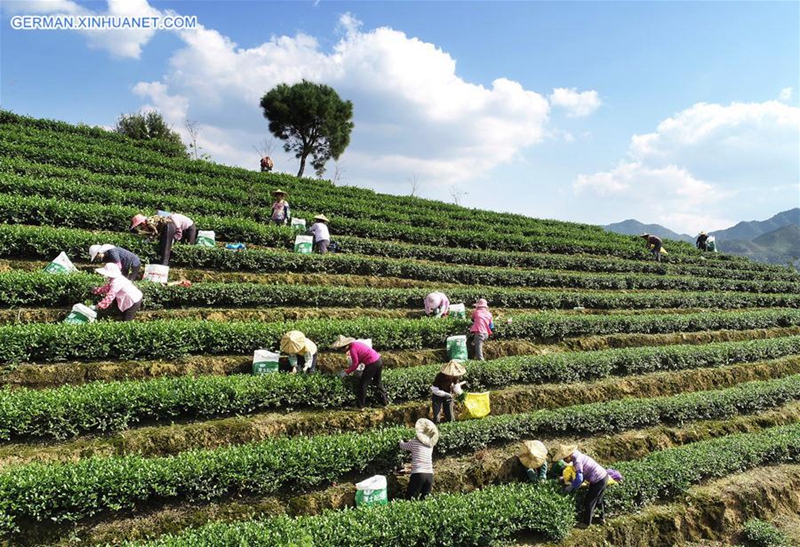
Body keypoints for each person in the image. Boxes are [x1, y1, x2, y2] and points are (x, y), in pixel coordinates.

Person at [552, 444, 608, 528]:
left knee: (589, 501)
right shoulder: (578, 455)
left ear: (569, 455)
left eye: (565, 458)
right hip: (604, 476)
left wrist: (571, 487)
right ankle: (602, 518)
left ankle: (586, 523)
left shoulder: (577, 461)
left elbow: (579, 478)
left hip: (598, 480)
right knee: (598, 500)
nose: (564, 460)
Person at [331, 335, 389, 408]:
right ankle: (384, 403)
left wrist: (346, 372)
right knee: (377, 382)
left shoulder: (352, 349)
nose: (342, 351)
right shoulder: (356, 344)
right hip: (378, 360)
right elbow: (362, 356)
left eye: (341, 349)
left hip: (372, 364)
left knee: (363, 384)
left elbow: (355, 364)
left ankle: (361, 406)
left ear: (346, 346)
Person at [131, 212, 197, 266]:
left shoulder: (171, 218)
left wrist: (176, 237)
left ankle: (189, 264)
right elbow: (155, 234)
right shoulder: (153, 223)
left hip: (189, 227)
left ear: (143, 223)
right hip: (179, 228)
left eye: (140, 225)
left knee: (190, 245)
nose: (141, 227)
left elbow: (177, 230)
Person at [398, 418, 439, 500]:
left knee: (410, 499)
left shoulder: (414, 442)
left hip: (418, 474)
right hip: (429, 475)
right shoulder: (430, 445)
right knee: (425, 500)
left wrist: (400, 441)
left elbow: (402, 446)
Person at [430, 360, 467, 424]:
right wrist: (446, 394)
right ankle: (437, 425)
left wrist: (460, 393)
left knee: (450, 416)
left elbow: (456, 385)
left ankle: (450, 424)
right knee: (437, 417)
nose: (451, 376)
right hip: (437, 396)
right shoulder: (440, 376)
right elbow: (434, 389)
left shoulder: (454, 376)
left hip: (448, 395)